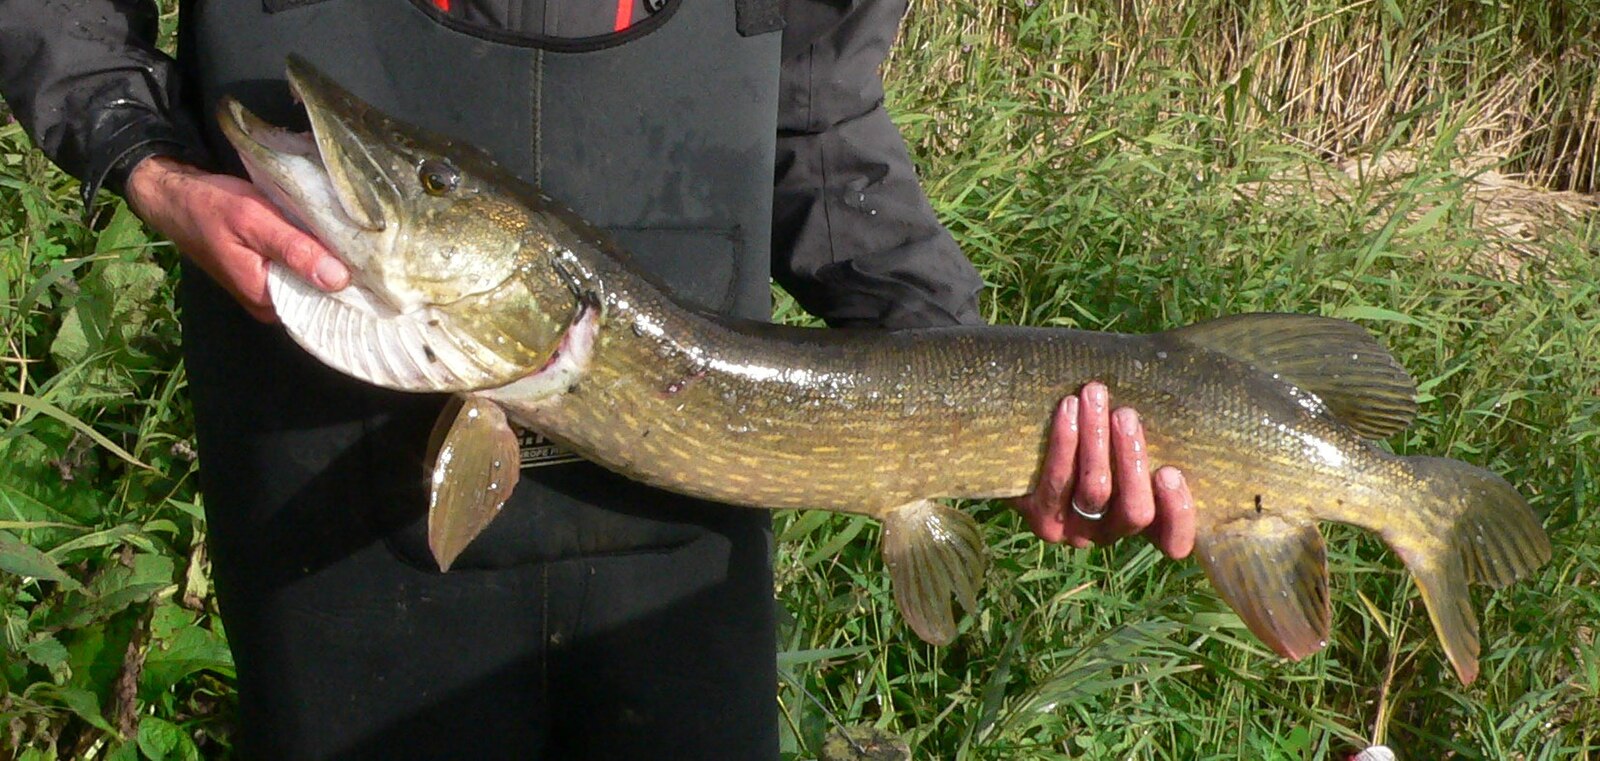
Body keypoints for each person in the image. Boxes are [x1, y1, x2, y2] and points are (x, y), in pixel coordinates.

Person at [0, 0, 1195, 758]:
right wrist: (141, 155)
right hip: (328, 516)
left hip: (680, 563)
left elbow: (815, 114)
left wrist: (971, 387)